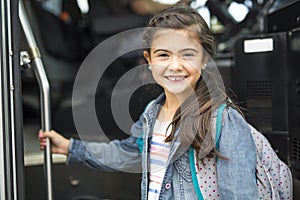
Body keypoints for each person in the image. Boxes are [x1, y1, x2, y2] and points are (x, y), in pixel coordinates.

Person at [39, 4, 257, 199]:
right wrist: (71, 148)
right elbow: (128, 153)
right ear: (148, 61)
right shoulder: (152, 113)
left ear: (204, 60)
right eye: (163, 55)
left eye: (187, 54)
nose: (174, 65)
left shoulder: (224, 121)